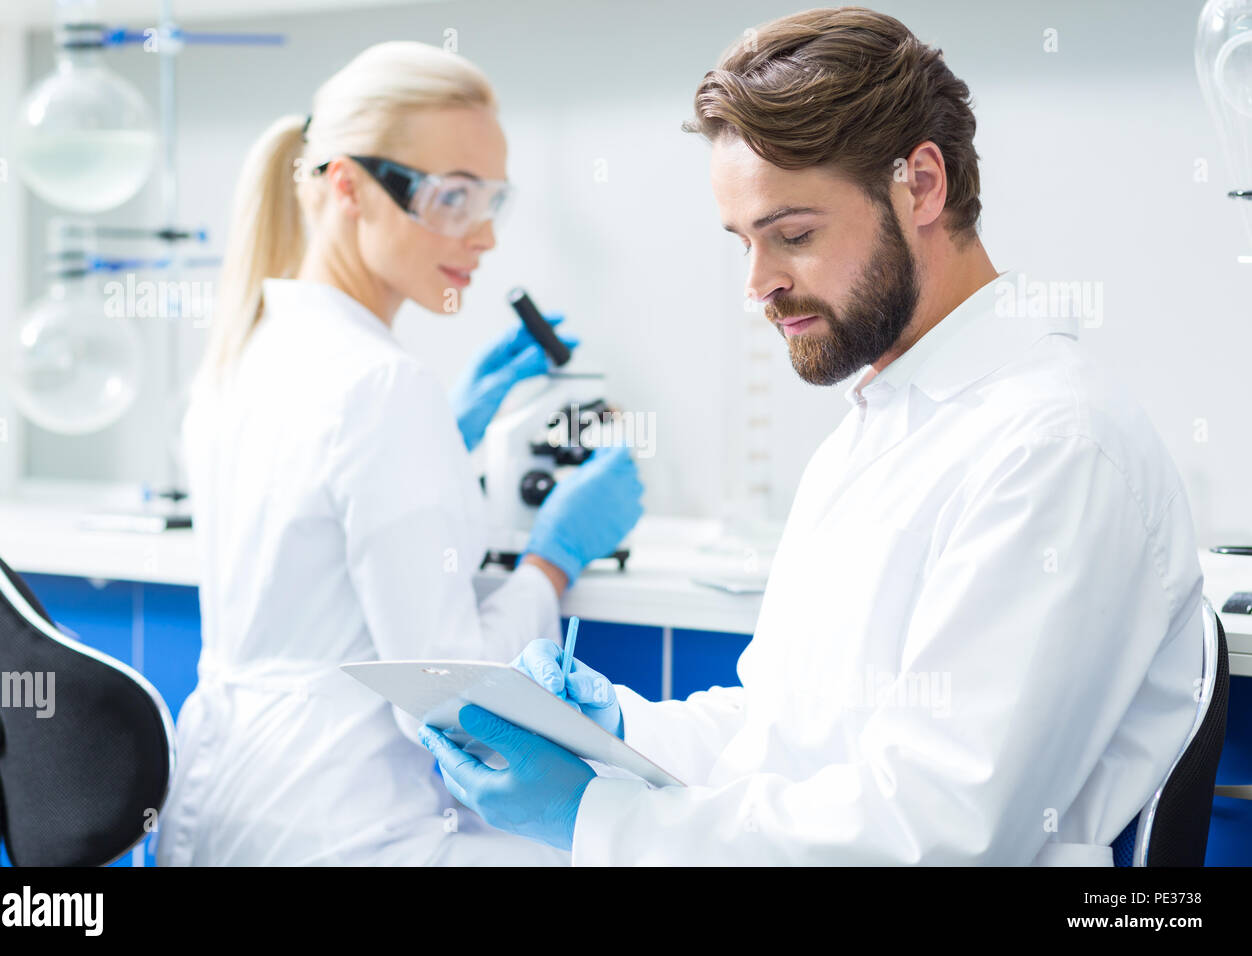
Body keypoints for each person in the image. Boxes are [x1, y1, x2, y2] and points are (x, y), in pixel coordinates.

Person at [420, 7, 1206, 866]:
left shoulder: (1053, 450)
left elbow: (931, 837)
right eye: (744, 243)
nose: (757, 285)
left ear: (923, 187)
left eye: (793, 234)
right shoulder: (878, 430)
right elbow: (783, 734)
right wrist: (619, 728)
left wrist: (594, 820)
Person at [156, 41, 643, 866]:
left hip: (213, 812)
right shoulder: (382, 386)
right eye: (452, 197)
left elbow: (307, 538)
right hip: (344, 828)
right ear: (346, 186)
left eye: (494, 199)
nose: (483, 236)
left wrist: (438, 445)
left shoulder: (246, 350)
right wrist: (552, 562)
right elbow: (451, 699)